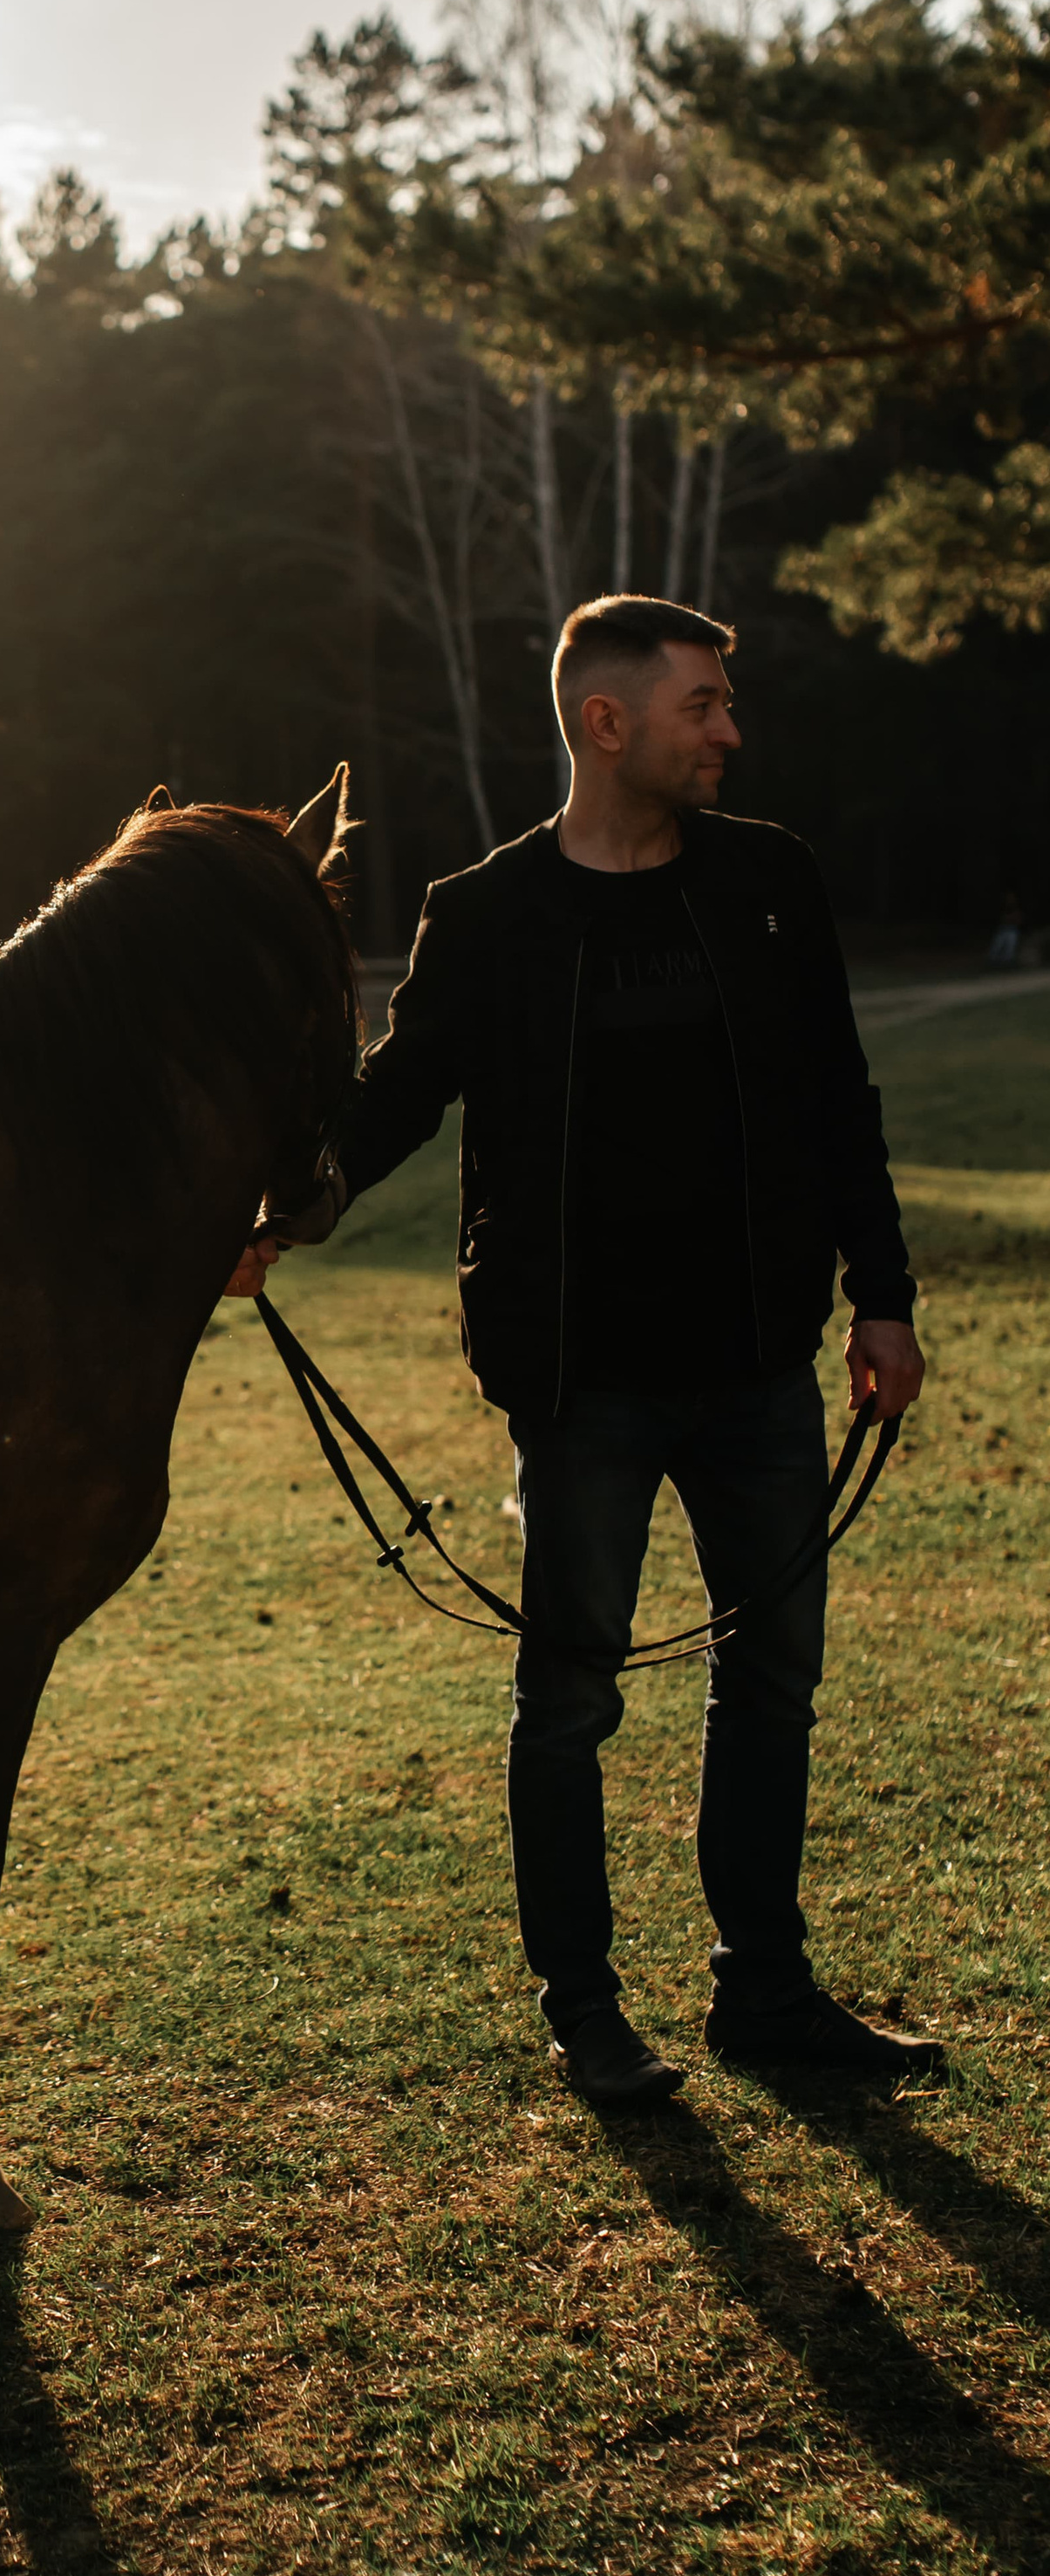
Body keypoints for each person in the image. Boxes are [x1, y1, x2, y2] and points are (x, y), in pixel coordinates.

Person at [237, 596, 938, 2106]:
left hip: (762, 1363)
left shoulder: (769, 884)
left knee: (776, 1681)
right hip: (582, 1382)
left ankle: (766, 1994)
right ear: (607, 722)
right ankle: (588, 2012)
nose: (731, 732)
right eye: (705, 707)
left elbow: (838, 1102)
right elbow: (400, 1093)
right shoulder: (490, 913)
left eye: (728, 707)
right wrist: (286, 1213)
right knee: (569, 1701)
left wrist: (883, 1300)